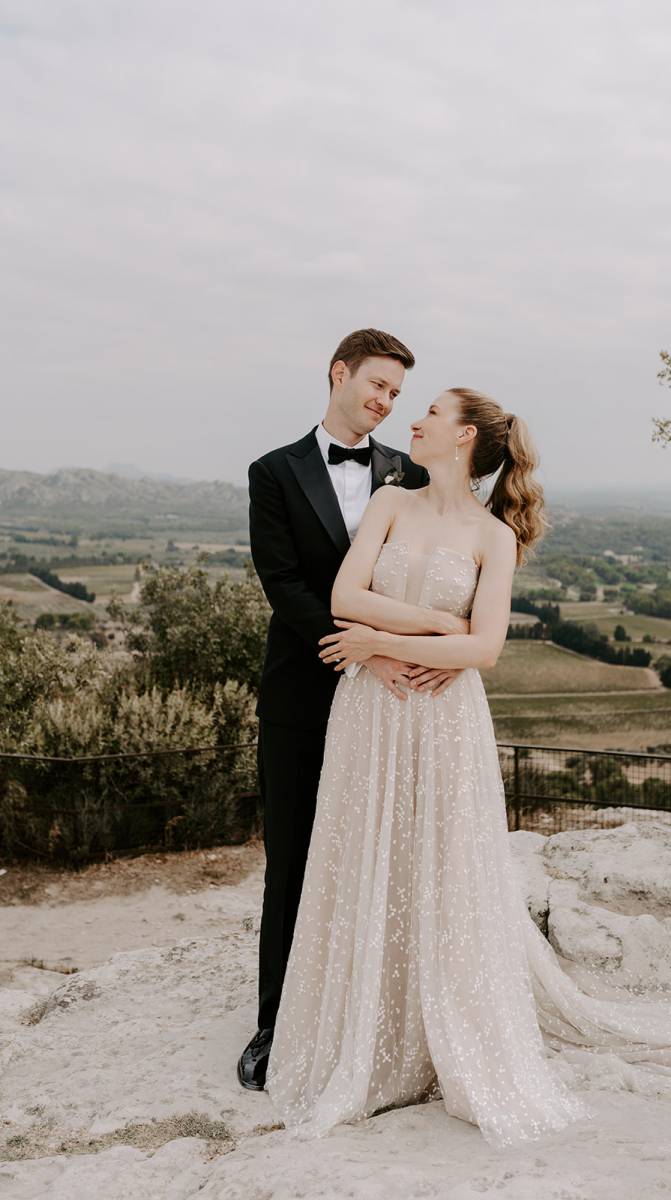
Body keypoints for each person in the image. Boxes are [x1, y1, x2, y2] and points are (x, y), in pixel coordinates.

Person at [262, 386, 671, 1149]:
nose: (414, 420)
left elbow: (484, 650)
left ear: (464, 438)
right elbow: (346, 596)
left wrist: (384, 642)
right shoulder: (388, 503)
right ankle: (366, 1024)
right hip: (371, 709)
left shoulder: (494, 536)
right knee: (366, 851)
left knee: (440, 860)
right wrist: (434, 624)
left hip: (443, 716)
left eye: (432, 413)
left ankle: (439, 1027)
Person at [238, 329, 465, 1091]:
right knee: (294, 858)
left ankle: (381, 1016)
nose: (386, 401)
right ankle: (277, 1025)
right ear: (339, 373)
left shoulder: (409, 471)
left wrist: (415, 649)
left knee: (388, 856)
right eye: (376, 385)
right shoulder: (273, 472)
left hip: (397, 699)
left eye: (397, 393)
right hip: (304, 692)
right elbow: (283, 585)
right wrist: (364, 650)